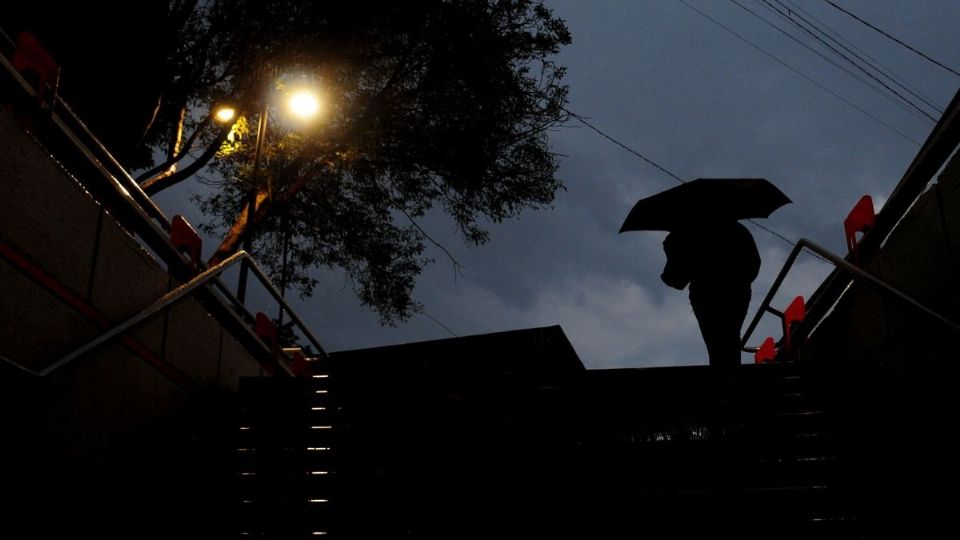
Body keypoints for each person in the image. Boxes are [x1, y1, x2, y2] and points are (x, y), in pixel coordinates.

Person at [660, 220, 760, 368]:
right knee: (730, 336)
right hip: (737, 293)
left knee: (716, 341)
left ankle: (724, 379)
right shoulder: (738, 229)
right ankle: (731, 378)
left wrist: (671, 248)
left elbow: (676, 280)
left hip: (706, 296)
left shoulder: (686, 235)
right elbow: (754, 265)